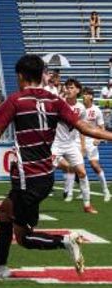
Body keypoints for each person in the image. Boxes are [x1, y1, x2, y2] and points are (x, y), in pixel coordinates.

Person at [0, 54, 112, 278]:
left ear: (20, 76)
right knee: (6, 214)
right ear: (40, 75)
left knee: (22, 235)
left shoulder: (16, 101)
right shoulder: (56, 102)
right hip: (45, 175)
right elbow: (87, 129)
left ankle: (63, 242)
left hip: (28, 176)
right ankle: (0, 266)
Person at [51, 78, 97, 214]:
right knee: (44, 171)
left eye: (71, 87)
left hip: (71, 145)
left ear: (78, 90)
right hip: (56, 144)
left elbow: (82, 128)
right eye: (67, 87)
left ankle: (87, 205)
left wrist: (82, 146)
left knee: (82, 172)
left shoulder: (81, 108)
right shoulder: (59, 103)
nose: (68, 90)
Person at [80, 87, 110, 202]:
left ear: (91, 96)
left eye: (86, 94)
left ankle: (105, 190)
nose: (83, 96)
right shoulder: (80, 109)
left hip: (92, 140)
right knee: (78, 166)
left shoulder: (96, 110)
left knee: (94, 165)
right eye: (83, 94)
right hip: (80, 140)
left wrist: (99, 139)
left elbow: (102, 127)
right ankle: (84, 191)